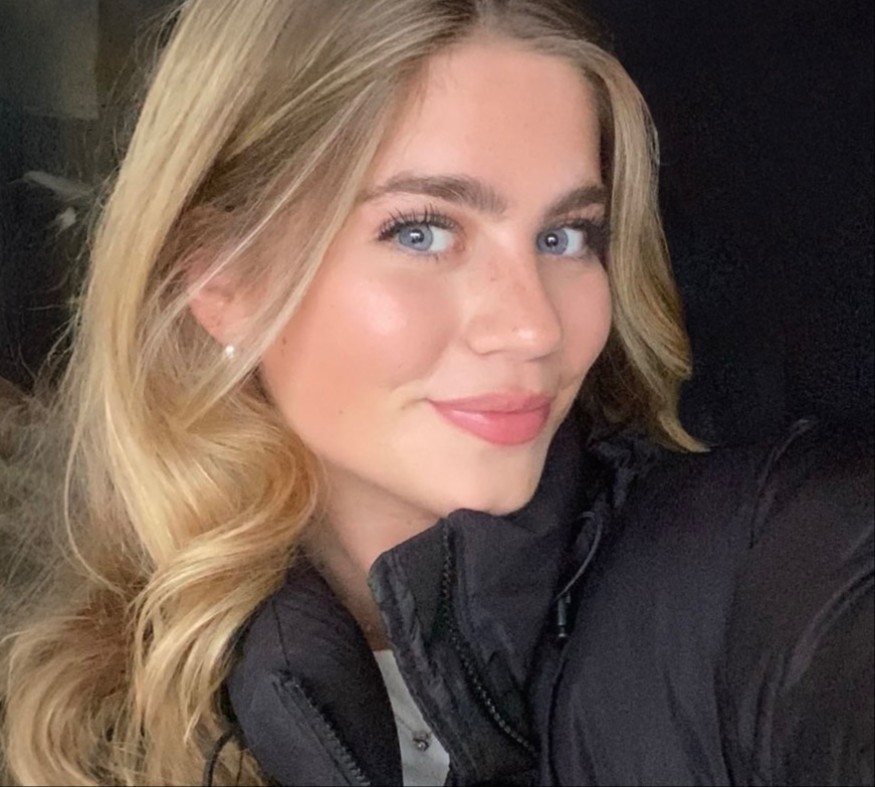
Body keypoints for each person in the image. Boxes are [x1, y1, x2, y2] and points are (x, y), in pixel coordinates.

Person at [0, 0, 871, 785]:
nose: (532, 327)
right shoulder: (85, 714)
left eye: (566, 235)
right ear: (224, 279)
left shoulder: (760, 571)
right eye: (421, 231)